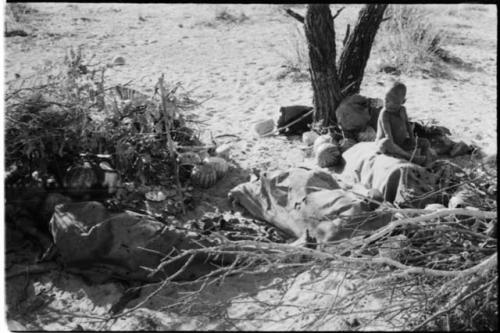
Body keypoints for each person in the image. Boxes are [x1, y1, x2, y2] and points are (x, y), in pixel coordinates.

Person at [375, 82, 435, 166]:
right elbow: (388, 134)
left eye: (395, 103)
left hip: (401, 143)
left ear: (403, 101)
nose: (388, 104)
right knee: (386, 142)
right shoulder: (385, 113)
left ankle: (426, 164)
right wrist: (394, 146)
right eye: (386, 100)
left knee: (425, 142)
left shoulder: (403, 110)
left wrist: (412, 138)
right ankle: (409, 157)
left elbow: (407, 125)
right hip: (386, 145)